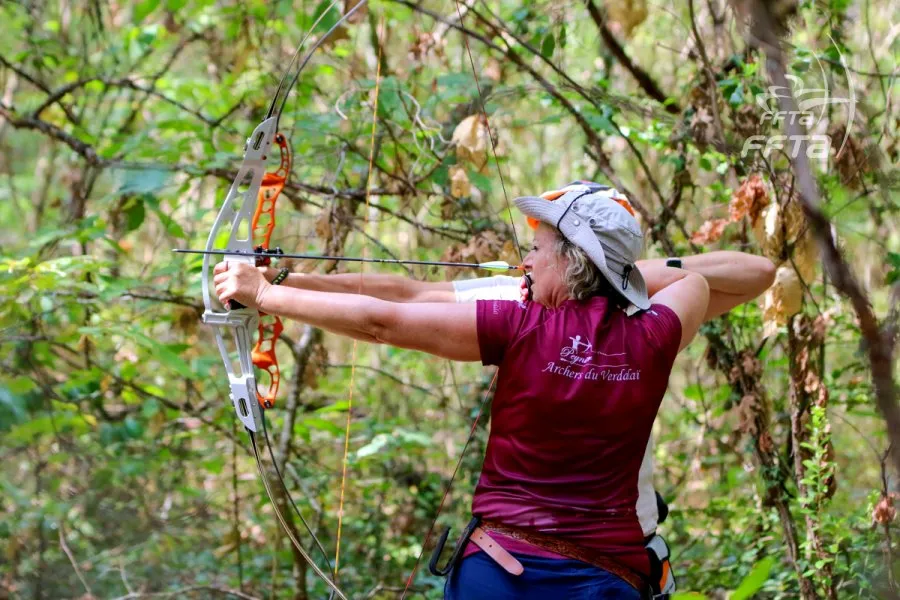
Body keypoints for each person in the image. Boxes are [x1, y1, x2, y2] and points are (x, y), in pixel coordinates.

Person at [213, 182, 775, 598]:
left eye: (540, 247)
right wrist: (282, 280)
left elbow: (382, 321)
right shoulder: (655, 333)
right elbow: (696, 280)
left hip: (505, 575)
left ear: (574, 258)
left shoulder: (519, 321)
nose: (526, 258)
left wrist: (266, 297)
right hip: (608, 578)